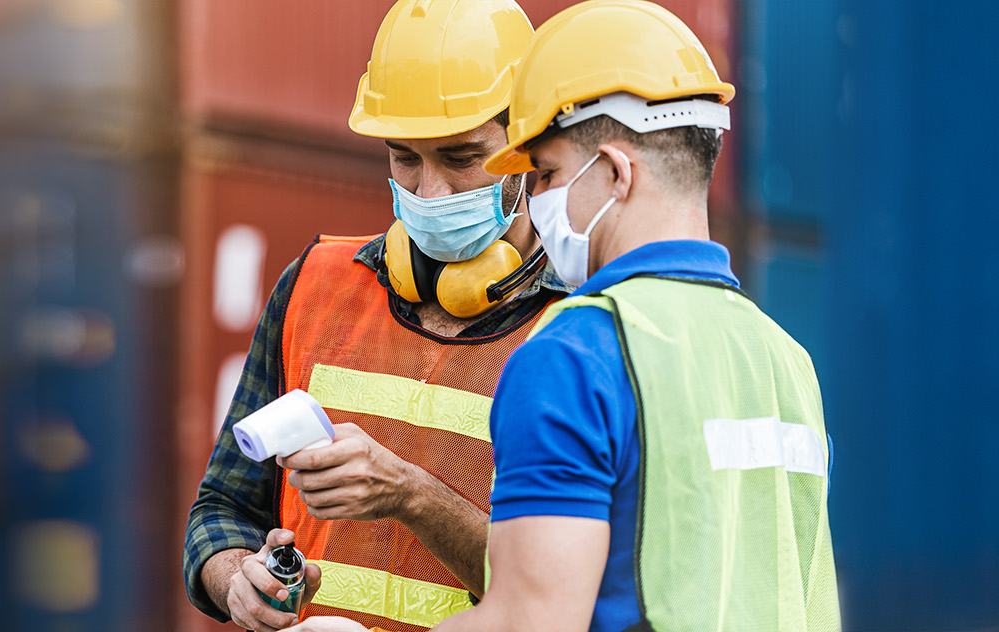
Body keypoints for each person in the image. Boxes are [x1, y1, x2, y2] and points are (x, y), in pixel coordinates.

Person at [292, 1, 839, 631]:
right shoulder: (785, 360)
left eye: (546, 173)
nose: (539, 200)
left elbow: (533, 621)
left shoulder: (577, 353)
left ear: (613, 172)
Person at [182, 1, 576, 630]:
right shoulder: (312, 285)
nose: (429, 193)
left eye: (460, 157)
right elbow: (222, 508)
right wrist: (237, 581)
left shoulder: (580, 329)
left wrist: (411, 495)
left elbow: (566, 595)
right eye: (405, 158)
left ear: (529, 147)